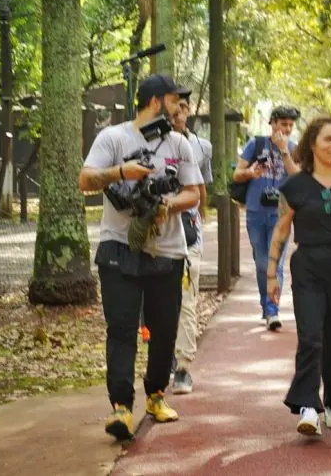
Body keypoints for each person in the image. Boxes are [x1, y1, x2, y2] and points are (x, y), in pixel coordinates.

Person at [79, 74, 202, 440]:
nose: (180, 107)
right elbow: (85, 180)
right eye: (174, 100)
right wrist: (123, 172)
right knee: (121, 329)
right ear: (154, 101)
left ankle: (156, 395)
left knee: (164, 330)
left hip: (168, 250)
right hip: (118, 246)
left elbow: (193, 193)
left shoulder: (179, 143)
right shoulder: (113, 137)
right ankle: (120, 407)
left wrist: (166, 205)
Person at [267, 116, 331, 436]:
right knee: (311, 336)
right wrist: (271, 274)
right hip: (308, 265)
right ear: (312, 144)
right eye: (327, 139)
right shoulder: (295, 185)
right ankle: (308, 405)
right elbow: (281, 229)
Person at [232, 105, 300, 330]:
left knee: (275, 262)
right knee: (262, 263)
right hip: (255, 212)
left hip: (282, 214)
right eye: (283, 124)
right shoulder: (256, 144)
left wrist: (284, 151)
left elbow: (298, 177)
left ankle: (273, 310)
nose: (287, 129)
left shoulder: (294, 149)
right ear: (272, 124)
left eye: (290, 125)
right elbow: (237, 174)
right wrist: (250, 173)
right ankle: (266, 304)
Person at [171, 89, 213, 395]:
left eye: (184, 107)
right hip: (155, 233)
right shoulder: (148, 143)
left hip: (188, 233)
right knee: (161, 301)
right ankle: (164, 357)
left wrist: (199, 221)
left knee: (187, 298)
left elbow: (202, 189)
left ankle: (183, 366)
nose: (178, 112)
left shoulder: (201, 146)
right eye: (174, 106)